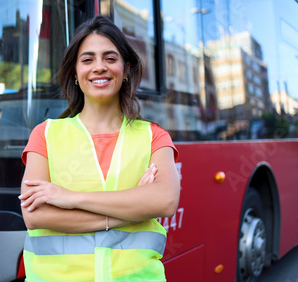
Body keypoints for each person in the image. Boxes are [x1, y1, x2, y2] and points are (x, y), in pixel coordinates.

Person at [19, 15, 181, 281]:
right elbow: (35, 215)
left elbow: (164, 200)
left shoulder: (154, 136)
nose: (99, 67)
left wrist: (70, 199)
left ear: (126, 69)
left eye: (110, 58)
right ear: (75, 71)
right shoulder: (45, 135)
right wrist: (132, 210)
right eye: (87, 59)